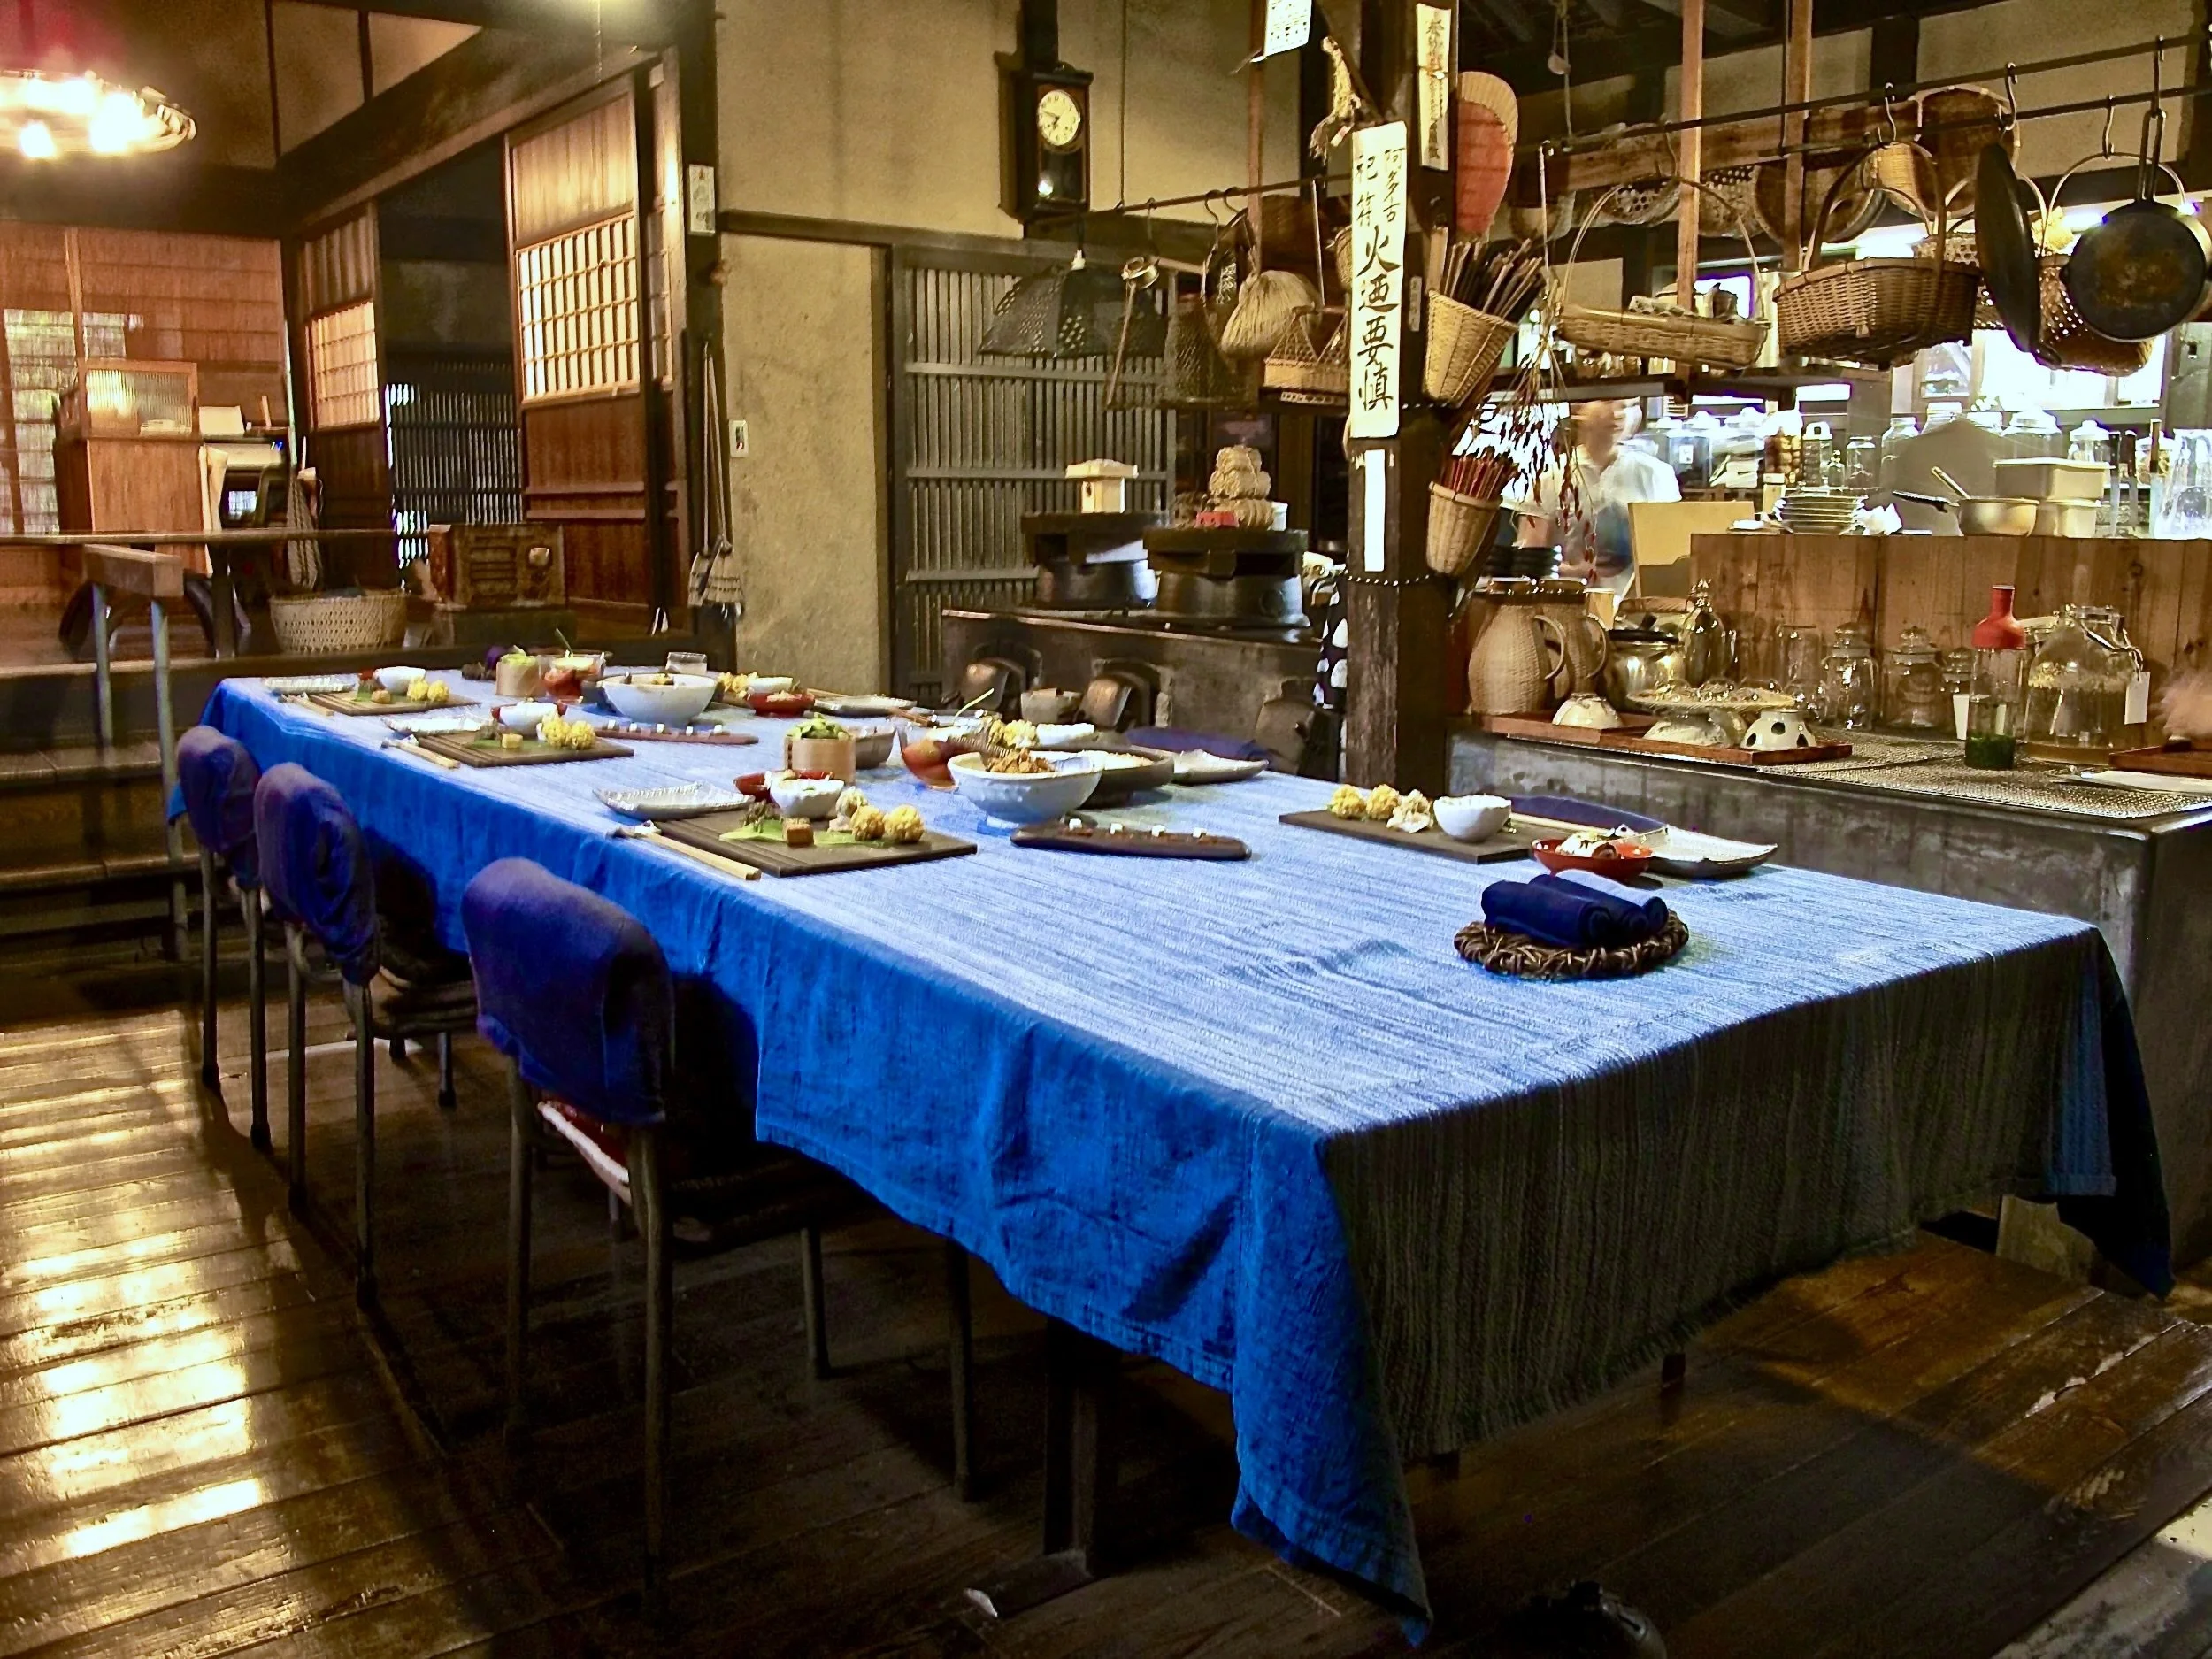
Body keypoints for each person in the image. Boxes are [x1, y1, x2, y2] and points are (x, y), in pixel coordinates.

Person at [1510, 399, 1680, 596]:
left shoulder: (1654, 474)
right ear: (1578, 411)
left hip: (1638, 610)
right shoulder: (1553, 477)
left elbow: (1673, 552)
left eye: (1628, 405)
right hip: (1570, 603)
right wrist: (1570, 572)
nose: (1618, 412)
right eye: (1607, 402)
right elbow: (1530, 559)